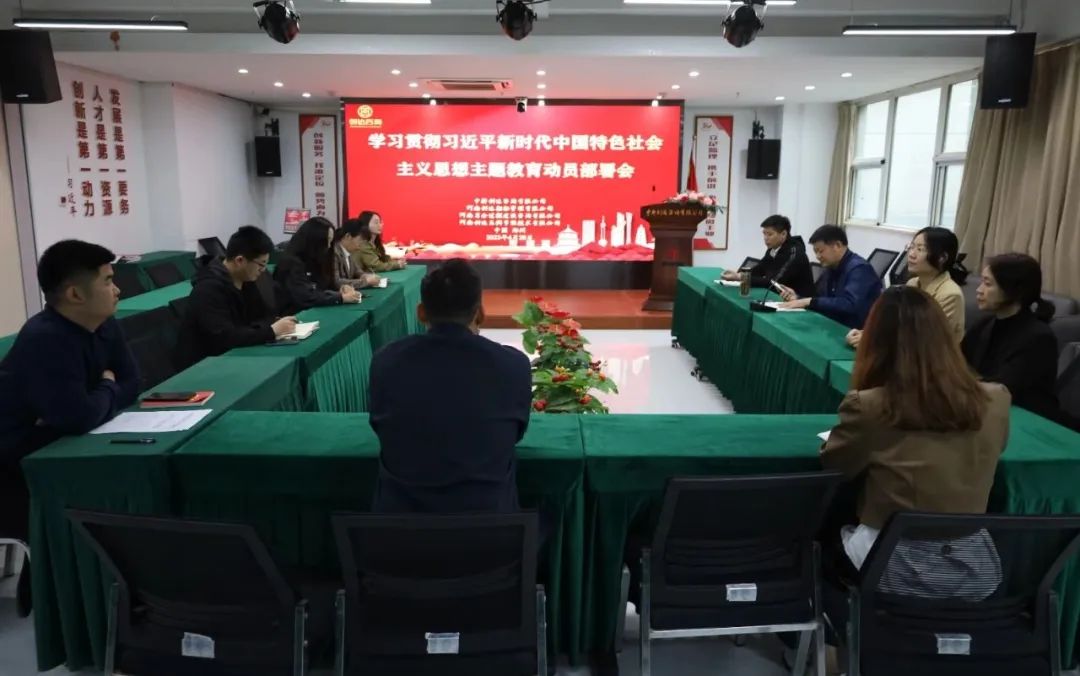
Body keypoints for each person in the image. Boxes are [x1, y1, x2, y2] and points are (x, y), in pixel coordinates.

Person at [822, 286, 1010, 572]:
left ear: (875, 341)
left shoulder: (869, 405)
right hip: (971, 566)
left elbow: (836, 466)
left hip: (888, 564)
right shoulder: (996, 399)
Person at [0, 240, 140, 615]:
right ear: (76, 294)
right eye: (108, 281)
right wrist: (107, 387)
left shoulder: (104, 324)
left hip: (58, 441)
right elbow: (78, 416)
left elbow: (133, 382)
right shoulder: (44, 339)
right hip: (14, 469)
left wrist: (99, 397)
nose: (117, 289)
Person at [369, 259, 532, 513]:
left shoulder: (385, 361)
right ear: (480, 314)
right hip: (490, 529)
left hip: (399, 530)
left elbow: (381, 429)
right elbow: (515, 434)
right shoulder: (513, 365)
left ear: (421, 313)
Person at [174, 226, 298, 369]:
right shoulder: (208, 289)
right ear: (240, 260)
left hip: (234, 356)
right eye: (261, 264)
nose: (263, 270)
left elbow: (257, 318)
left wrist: (274, 323)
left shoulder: (246, 280)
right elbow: (224, 337)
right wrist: (271, 331)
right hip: (204, 366)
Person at [962, 253, 1061, 419]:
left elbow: (1004, 388)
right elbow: (957, 362)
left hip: (1025, 417)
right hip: (986, 407)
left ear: (1015, 291)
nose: (979, 290)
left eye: (988, 284)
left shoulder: (1039, 337)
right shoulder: (984, 323)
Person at [846, 226, 967, 348]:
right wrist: (869, 334)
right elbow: (898, 326)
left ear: (942, 258)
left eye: (920, 249)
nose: (911, 254)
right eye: (911, 247)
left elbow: (927, 340)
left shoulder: (950, 295)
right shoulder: (912, 283)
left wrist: (875, 341)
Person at [778, 224, 882, 329]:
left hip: (854, 331)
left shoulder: (859, 269)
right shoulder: (831, 267)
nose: (818, 256)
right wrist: (798, 298)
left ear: (837, 245)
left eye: (821, 251)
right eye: (815, 252)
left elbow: (850, 304)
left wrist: (808, 301)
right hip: (832, 324)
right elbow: (820, 299)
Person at [273, 217, 361, 315]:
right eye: (327, 241)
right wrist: (340, 297)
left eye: (331, 241)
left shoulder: (315, 259)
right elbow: (306, 296)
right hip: (293, 315)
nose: (329, 246)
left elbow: (321, 288)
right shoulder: (291, 262)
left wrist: (341, 289)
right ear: (315, 241)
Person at [721, 215, 815, 298]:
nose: (765, 238)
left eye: (770, 234)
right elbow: (760, 269)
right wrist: (738, 274)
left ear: (783, 234)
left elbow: (774, 283)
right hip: (779, 297)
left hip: (802, 303)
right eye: (764, 233)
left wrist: (741, 277)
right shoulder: (773, 248)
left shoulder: (795, 254)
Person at [333, 218, 383, 290]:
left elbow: (357, 271)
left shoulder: (349, 251)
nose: (361, 245)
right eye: (360, 240)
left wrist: (366, 276)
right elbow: (336, 282)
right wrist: (366, 282)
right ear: (348, 236)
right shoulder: (334, 253)